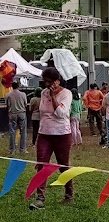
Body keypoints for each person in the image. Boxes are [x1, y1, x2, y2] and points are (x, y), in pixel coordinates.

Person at [29, 67, 73, 210]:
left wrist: (54, 96)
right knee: (41, 165)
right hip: (44, 134)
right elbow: (42, 112)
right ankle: (40, 198)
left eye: (49, 82)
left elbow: (61, 113)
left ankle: (69, 193)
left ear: (57, 81)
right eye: (44, 82)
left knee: (63, 165)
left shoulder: (67, 93)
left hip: (61, 134)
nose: (46, 85)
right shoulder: (43, 93)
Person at [7, 80, 28, 154]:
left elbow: (8, 105)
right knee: (23, 132)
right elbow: (25, 104)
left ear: (12, 86)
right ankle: (22, 149)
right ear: (18, 86)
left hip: (12, 114)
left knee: (12, 132)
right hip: (22, 113)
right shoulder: (23, 94)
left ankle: (12, 150)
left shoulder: (8, 95)